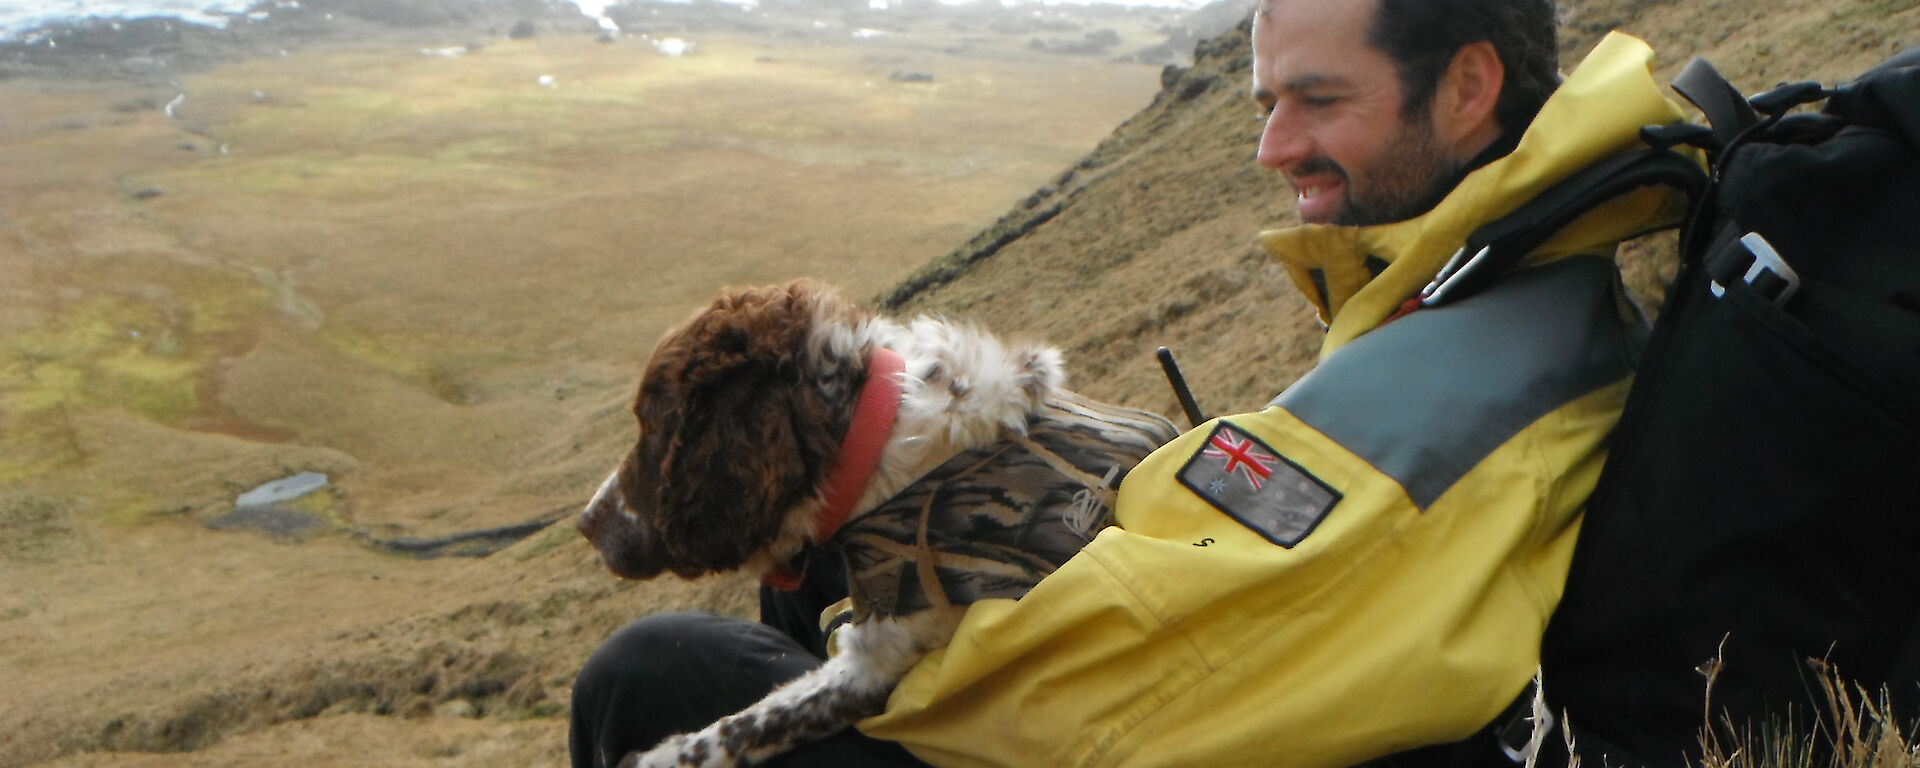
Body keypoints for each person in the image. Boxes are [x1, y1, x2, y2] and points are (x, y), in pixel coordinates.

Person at [572, 0, 1694, 765]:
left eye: (1317, 99)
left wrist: (877, 653)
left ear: (1467, 88)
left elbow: (1107, 715)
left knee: (656, 676)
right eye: (1264, 104)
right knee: (788, 595)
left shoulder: (1467, 391)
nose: (1272, 148)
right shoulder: (1513, 295)